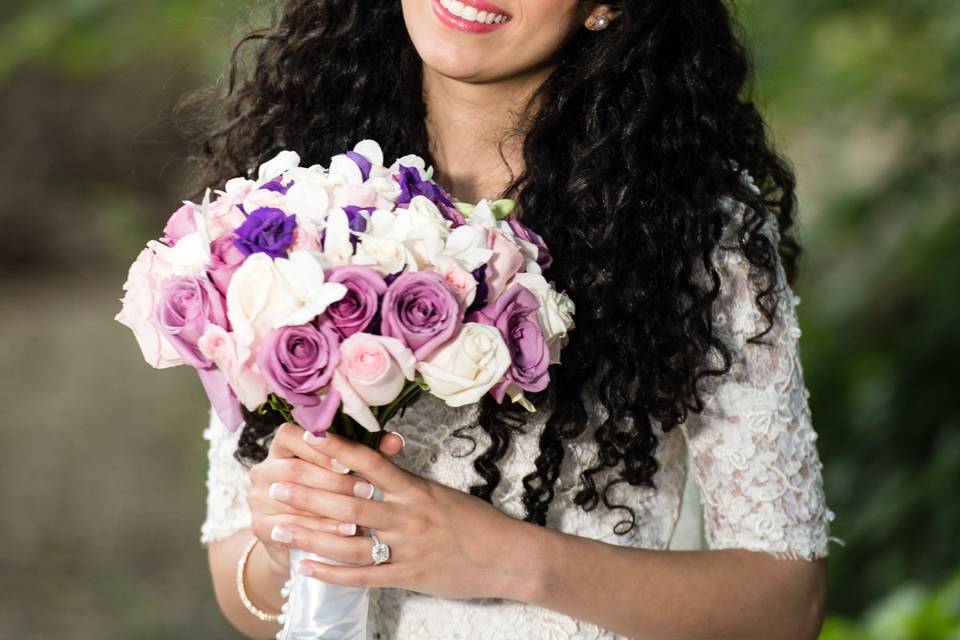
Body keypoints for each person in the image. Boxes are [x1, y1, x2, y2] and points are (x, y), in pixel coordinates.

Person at [184, 1, 844, 638]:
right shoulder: (291, 205)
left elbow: (786, 604)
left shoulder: (696, 225)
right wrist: (286, 547)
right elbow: (239, 582)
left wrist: (507, 559)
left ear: (605, 4)